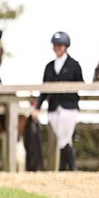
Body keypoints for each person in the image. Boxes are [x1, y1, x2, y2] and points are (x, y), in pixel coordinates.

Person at [36, 31, 85, 171]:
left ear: (66, 46)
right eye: (55, 45)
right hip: (53, 106)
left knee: (64, 137)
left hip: (68, 106)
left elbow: (80, 84)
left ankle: (71, 167)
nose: (57, 48)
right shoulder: (49, 67)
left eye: (60, 45)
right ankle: (64, 168)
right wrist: (37, 107)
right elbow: (44, 89)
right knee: (62, 138)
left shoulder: (74, 65)